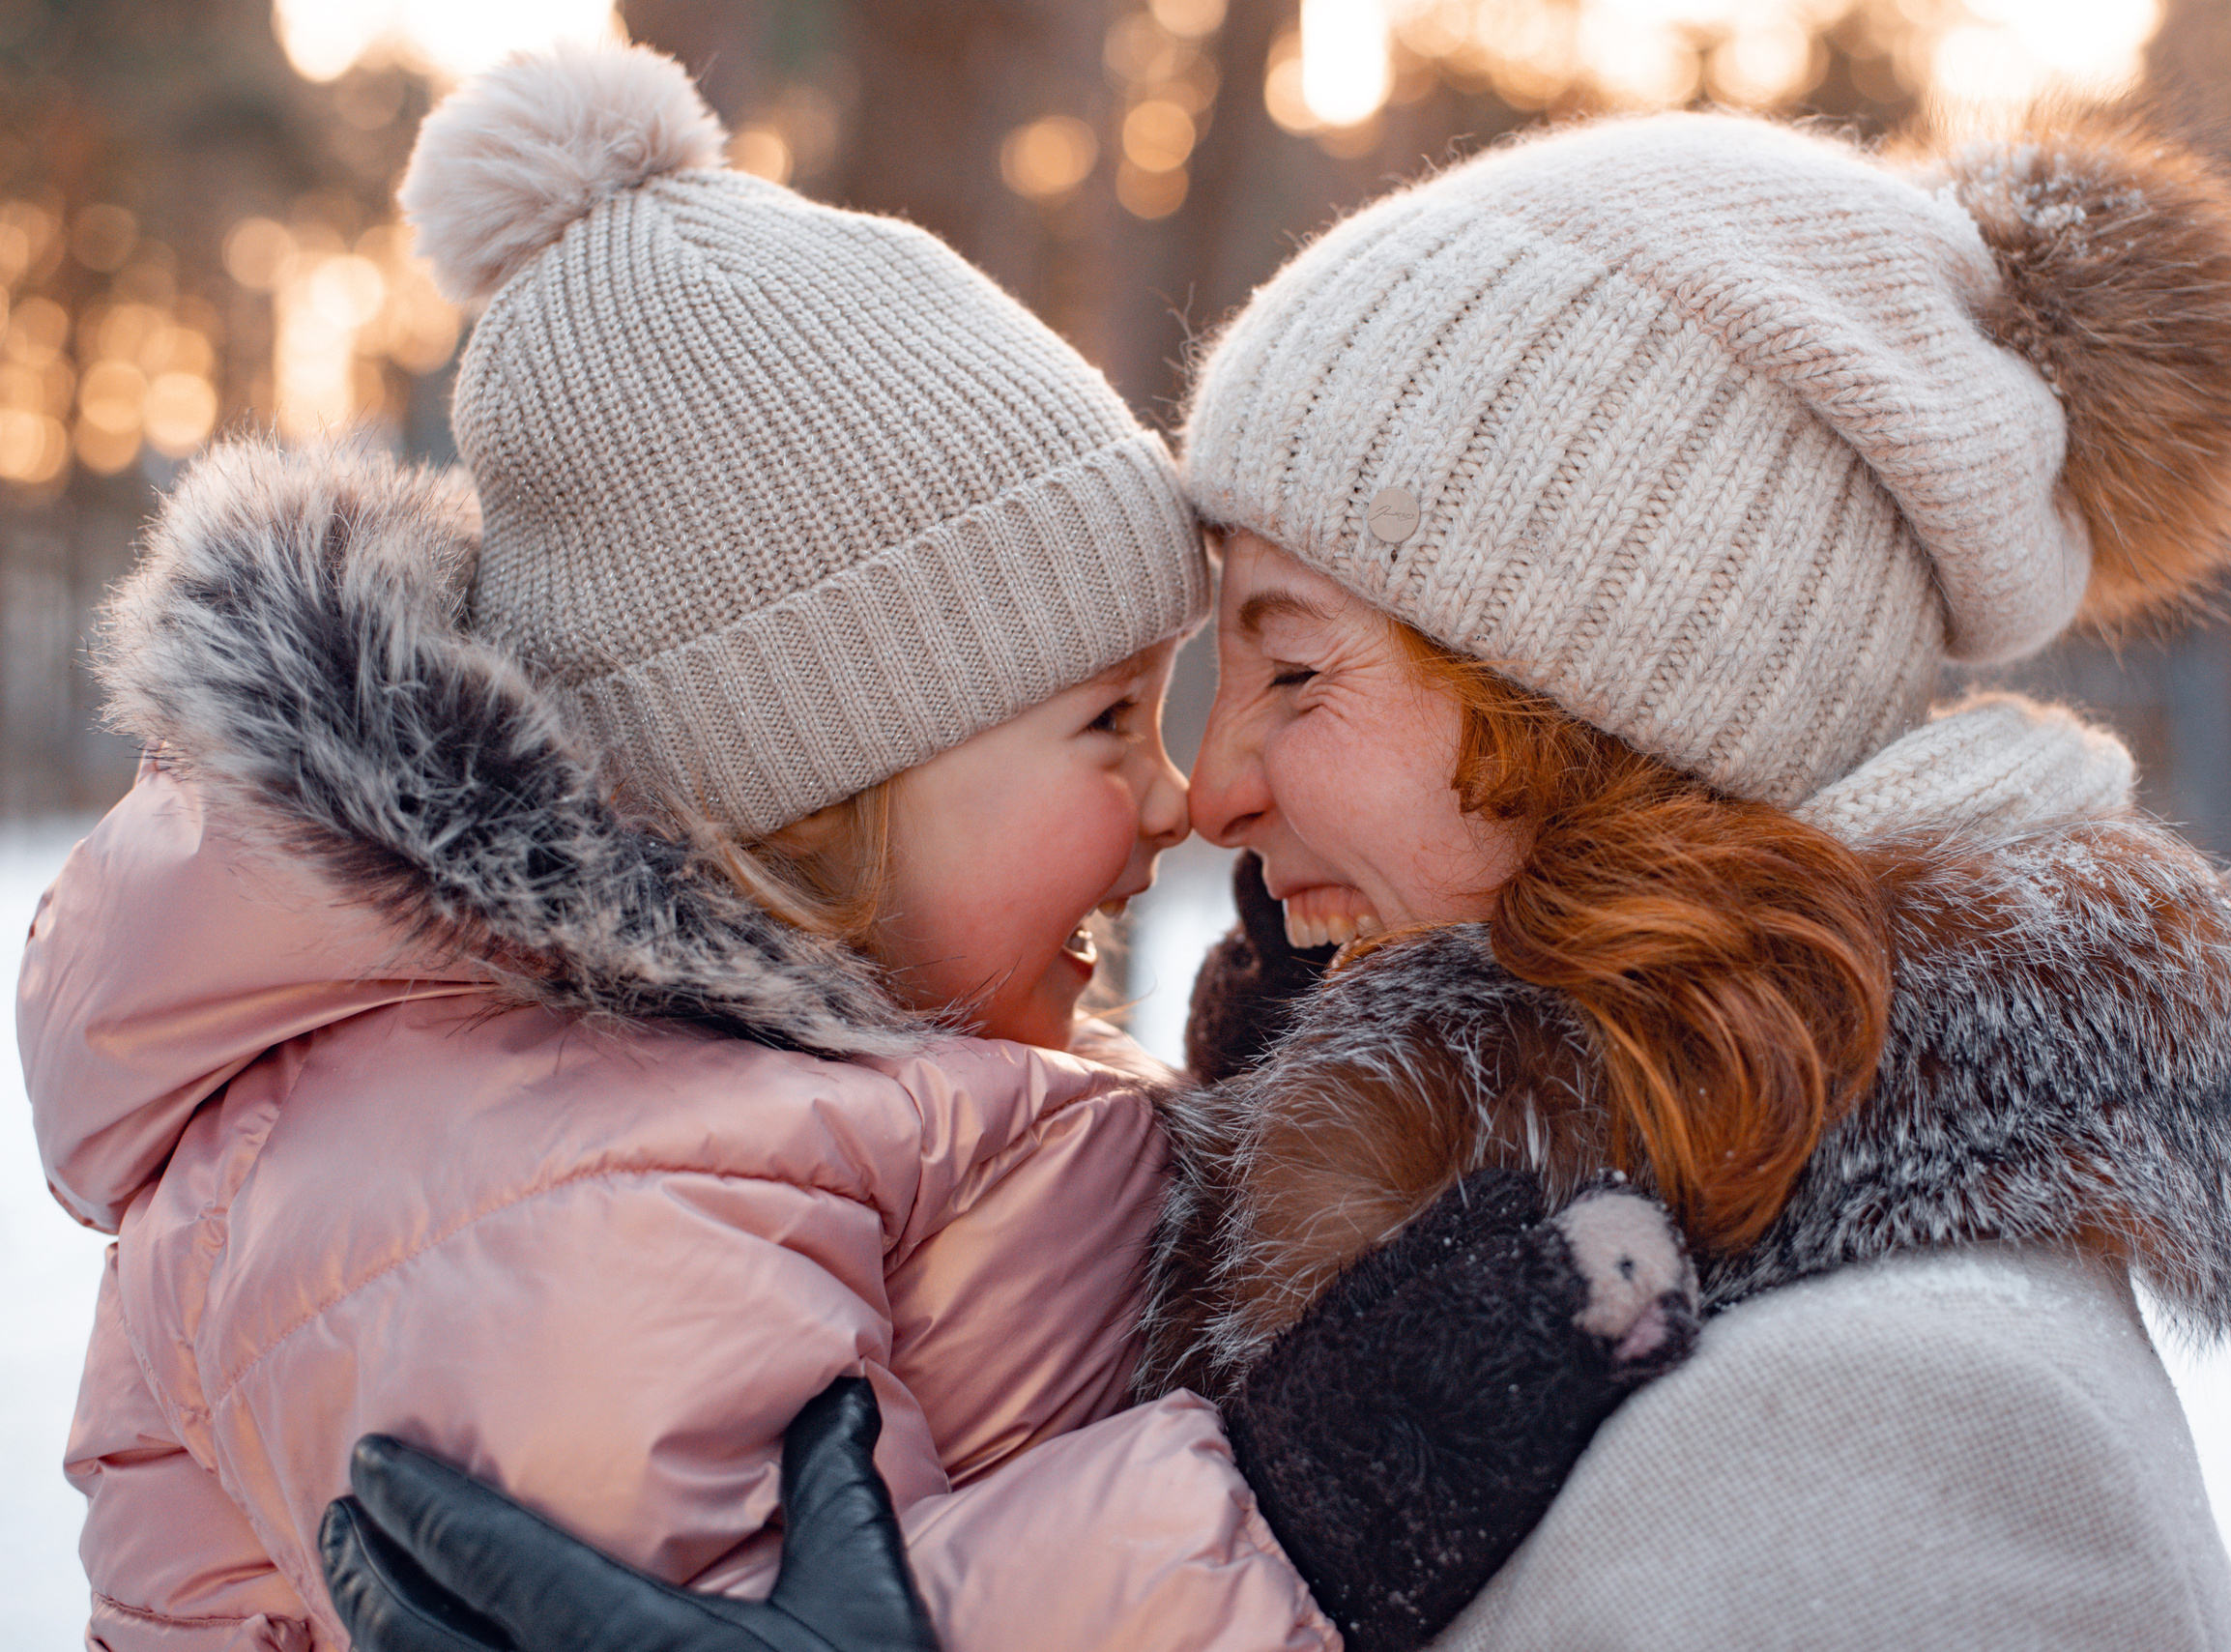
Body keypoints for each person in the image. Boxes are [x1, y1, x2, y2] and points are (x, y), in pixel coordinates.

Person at [314, 94, 2231, 1652]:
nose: (1212, 794)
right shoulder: (1517, 1229)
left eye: (1287, 663)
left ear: (1606, 692)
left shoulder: (1917, 1420)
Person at [18, 42, 1693, 1652]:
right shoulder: (558, 1187)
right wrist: (1303, 1502)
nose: (1181, 798)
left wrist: (1254, 1141)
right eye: (1108, 722)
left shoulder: (764, 1098)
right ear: (813, 794)